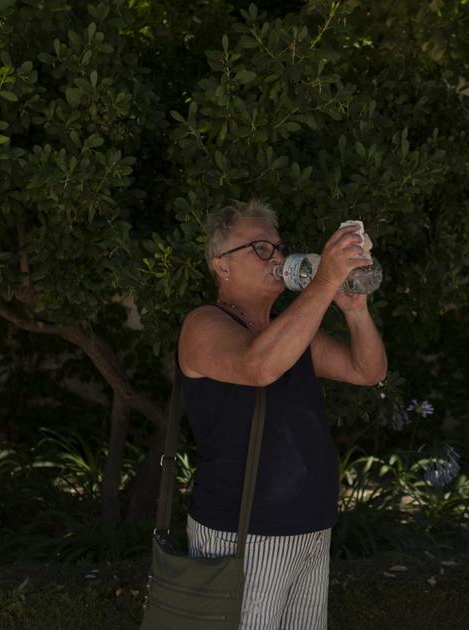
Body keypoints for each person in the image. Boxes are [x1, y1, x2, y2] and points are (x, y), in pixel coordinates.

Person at [177, 200, 387, 629]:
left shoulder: (287, 330)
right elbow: (258, 367)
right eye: (260, 248)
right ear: (222, 266)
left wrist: (355, 310)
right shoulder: (203, 324)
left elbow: (368, 371)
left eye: (277, 247)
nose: (277, 257)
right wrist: (325, 280)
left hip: (310, 529)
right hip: (242, 536)